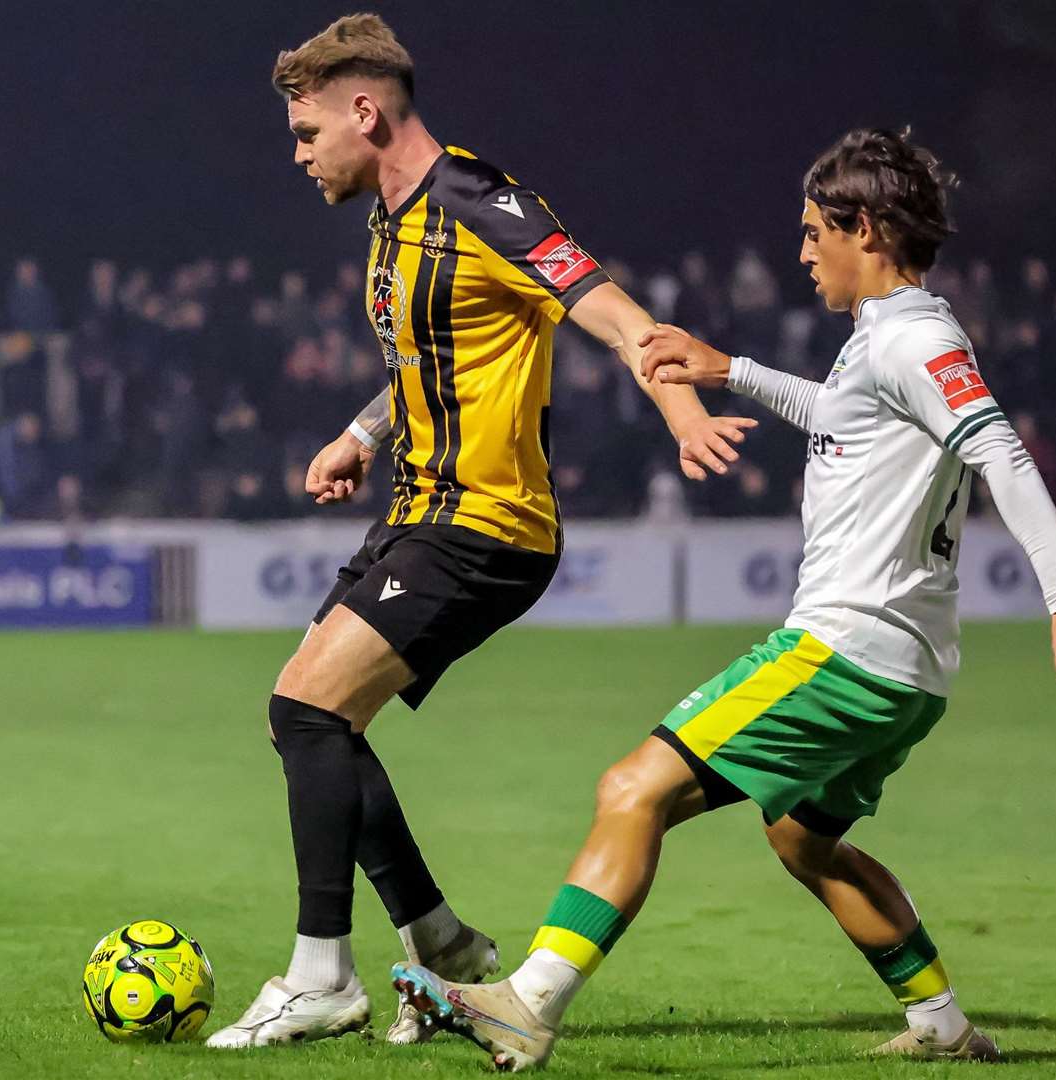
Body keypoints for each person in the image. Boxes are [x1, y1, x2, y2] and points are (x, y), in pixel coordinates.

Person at [391, 128, 1056, 1070]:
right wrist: (732, 371)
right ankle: (942, 1026)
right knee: (804, 838)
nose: (799, 253)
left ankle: (528, 1002)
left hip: (845, 649)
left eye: (810, 232)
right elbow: (843, 416)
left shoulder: (915, 338)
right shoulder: (887, 338)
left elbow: (996, 445)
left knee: (633, 789)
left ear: (861, 228)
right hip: (907, 668)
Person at [204, 13, 754, 1052]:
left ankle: (324, 972)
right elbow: (429, 354)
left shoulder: (477, 201)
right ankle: (443, 944)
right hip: (418, 511)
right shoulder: (393, 220)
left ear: (364, 111)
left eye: (305, 129)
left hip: (487, 524)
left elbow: (604, 307)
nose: (296, 153)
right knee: (307, 721)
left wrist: (680, 406)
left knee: (307, 710)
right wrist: (360, 430)